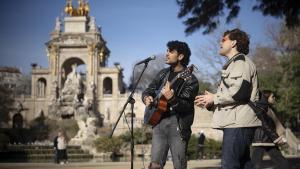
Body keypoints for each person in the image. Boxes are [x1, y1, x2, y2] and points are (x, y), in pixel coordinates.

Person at [194, 28, 261, 169]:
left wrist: (214, 98)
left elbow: (240, 93)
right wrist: (210, 102)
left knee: (229, 165)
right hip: (237, 122)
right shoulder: (235, 64)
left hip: (238, 124)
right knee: (244, 164)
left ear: (233, 43)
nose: (220, 42)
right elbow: (234, 95)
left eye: (224, 39)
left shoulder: (240, 63)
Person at [142, 40, 199, 169]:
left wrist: (172, 98)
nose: (166, 54)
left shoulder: (190, 79)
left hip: (178, 124)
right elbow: (149, 89)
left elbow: (186, 106)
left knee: (179, 165)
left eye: (171, 51)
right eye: (167, 51)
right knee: (155, 165)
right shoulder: (163, 73)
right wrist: (147, 97)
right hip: (158, 122)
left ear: (180, 56)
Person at [251, 90, 290, 169]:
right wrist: (276, 138)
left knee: (282, 162)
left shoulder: (268, 108)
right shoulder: (262, 108)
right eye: (272, 97)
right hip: (263, 139)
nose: (274, 98)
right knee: (255, 164)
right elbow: (266, 125)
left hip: (268, 139)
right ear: (266, 97)